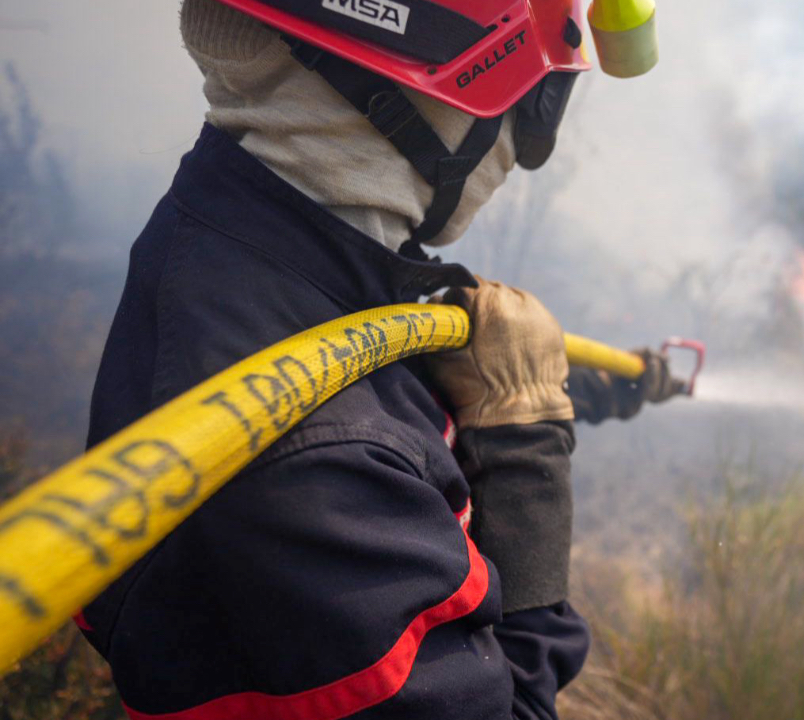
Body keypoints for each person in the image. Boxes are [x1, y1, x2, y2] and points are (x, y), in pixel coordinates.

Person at [77, 1, 680, 718]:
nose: (519, 150)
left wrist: (584, 386)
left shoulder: (253, 251)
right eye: (537, 101)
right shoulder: (314, 461)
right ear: (437, 83)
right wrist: (526, 443)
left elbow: (412, 395)